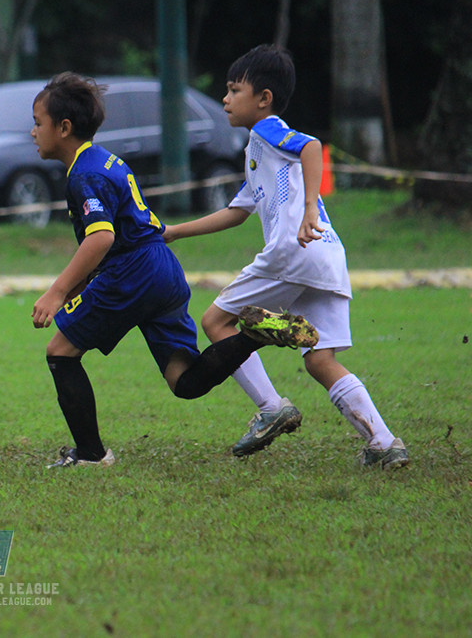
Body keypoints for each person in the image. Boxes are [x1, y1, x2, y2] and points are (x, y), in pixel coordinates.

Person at [30, 71, 317, 468]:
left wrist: (58, 291)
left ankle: (92, 456)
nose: (33, 132)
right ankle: (252, 335)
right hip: (162, 270)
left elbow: (101, 239)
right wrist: (77, 285)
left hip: (132, 272)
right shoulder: (105, 160)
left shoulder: (84, 174)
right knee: (183, 380)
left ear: (63, 128)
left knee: (60, 353)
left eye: (38, 123)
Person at [162, 44, 409, 470]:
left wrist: (310, 206)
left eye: (233, 89)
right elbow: (237, 212)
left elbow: (312, 147)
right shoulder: (257, 151)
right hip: (327, 256)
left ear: (263, 98)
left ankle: (271, 404)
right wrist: (173, 232)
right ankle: (384, 443)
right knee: (320, 360)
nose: (225, 98)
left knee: (215, 322)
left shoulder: (269, 131)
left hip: (292, 251)